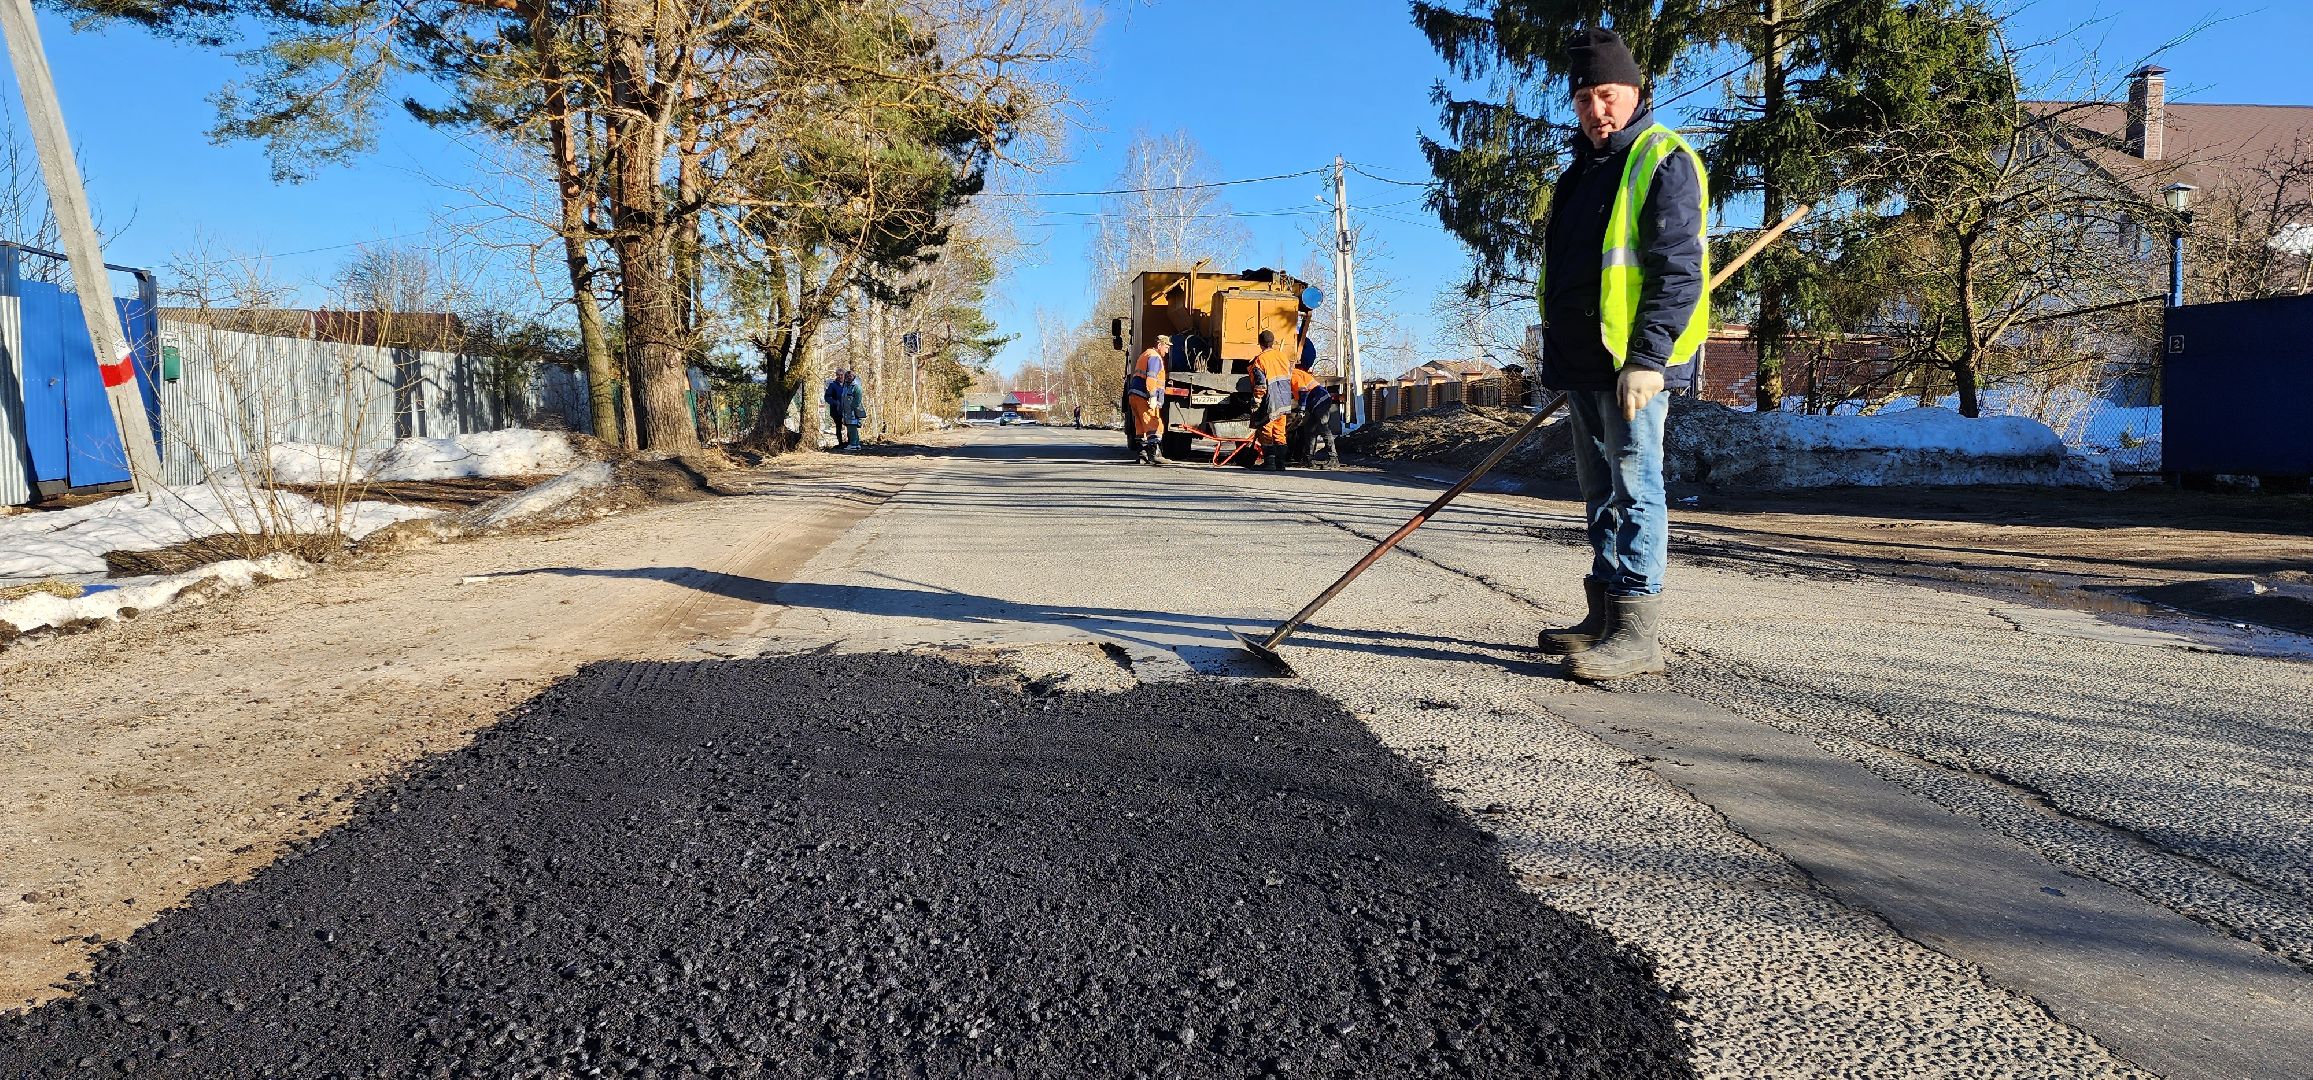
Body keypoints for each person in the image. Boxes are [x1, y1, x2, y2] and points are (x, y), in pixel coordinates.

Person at [1532, 27, 1709, 682]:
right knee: (1598, 490)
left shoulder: (1662, 160)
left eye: (1605, 95)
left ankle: (1638, 633)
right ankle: (1603, 614)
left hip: (1633, 361)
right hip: (1582, 359)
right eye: (1582, 100)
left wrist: (1648, 357)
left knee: (1636, 488)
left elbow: (1676, 273)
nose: (1595, 111)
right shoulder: (1579, 172)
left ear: (1634, 92)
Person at [1247, 329, 1296, 470]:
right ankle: (1280, 464)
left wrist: (1256, 400)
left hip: (1270, 401)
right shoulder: (1283, 357)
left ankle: (1269, 463)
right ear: (1273, 342)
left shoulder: (1260, 360)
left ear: (1260, 343)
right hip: (1284, 400)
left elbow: (1261, 384)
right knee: (1280, 432)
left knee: (1266, 431)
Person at [1287, 355, 1337, 468]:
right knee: (1309, 430)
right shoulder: (1294, 374)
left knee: (1323, 427)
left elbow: (1303, 391)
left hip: (1320, 399)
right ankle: (1308, 459)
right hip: (1315, 401)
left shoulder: (1293, 375)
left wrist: (1302, 409)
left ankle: (1333, 459)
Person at [1128, 335, 1170, 465]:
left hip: (1134, 395)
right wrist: (1152, 395)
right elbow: (1151, 378)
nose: (1167, 351)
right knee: (1154, 424)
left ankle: (1142, 455)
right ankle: (1155, 454)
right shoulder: (1155, 357)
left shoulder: (1145, 354)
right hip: (1144, 396)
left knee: (1140, 426)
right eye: (1166, 347)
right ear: (1159, 345)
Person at [830, 369, 865, 450]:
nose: (848, 378)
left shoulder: (856, 386)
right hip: (846, 410)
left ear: (854, 377)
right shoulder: (846, 386)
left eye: (850, 376)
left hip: (853, 410)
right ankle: (855, 444)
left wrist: (852, 407)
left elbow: (858, 399)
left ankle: (853, 443)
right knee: (850, 426)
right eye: (847, 376)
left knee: (852, 426)